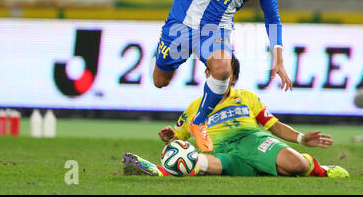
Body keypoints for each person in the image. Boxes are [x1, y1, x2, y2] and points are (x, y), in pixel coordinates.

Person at [101, 0, 293, 152]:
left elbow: (272, 18)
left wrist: (278, 55)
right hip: (181, 24)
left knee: (223, 69)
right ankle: (159, 58)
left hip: (216, 30)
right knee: (160, 81)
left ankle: (199, 121)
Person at [122, 57, 349, 179]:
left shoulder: (248, 98)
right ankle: (154, 170)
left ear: (233, 78)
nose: (217, 77)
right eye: (211, 73)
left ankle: (320, 169)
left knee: (295, 166)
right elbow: (178, 138)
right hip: (222, 152)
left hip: (253, 142)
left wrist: (301, 139)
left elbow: (274, 125)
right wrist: (170, 135)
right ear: (207, 75)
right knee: (196, 161)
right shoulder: (193, 108)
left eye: (224, 74)